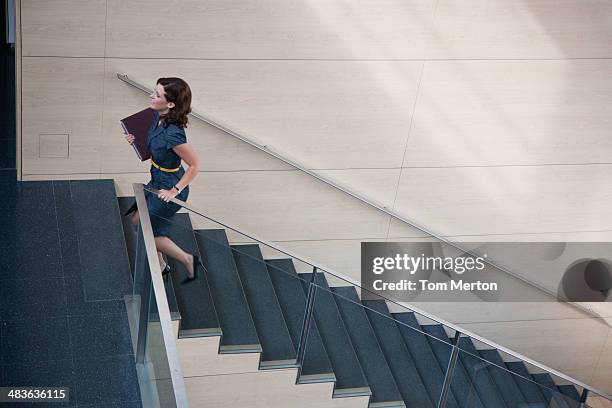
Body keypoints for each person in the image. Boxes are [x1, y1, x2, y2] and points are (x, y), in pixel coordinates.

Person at [124, 77, 203, 284]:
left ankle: (187, 259)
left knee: (142, 227)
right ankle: (160, 264)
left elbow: (195, 165)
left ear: (170, 104)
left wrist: (174, 191)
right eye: (154, 91)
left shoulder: (174, 135)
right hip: (157, 178)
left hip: (169, 186)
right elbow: (156, 147)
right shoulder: (157, 116)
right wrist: (137, 141)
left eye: (157, 95)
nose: (151, 96)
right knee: (136, 219)